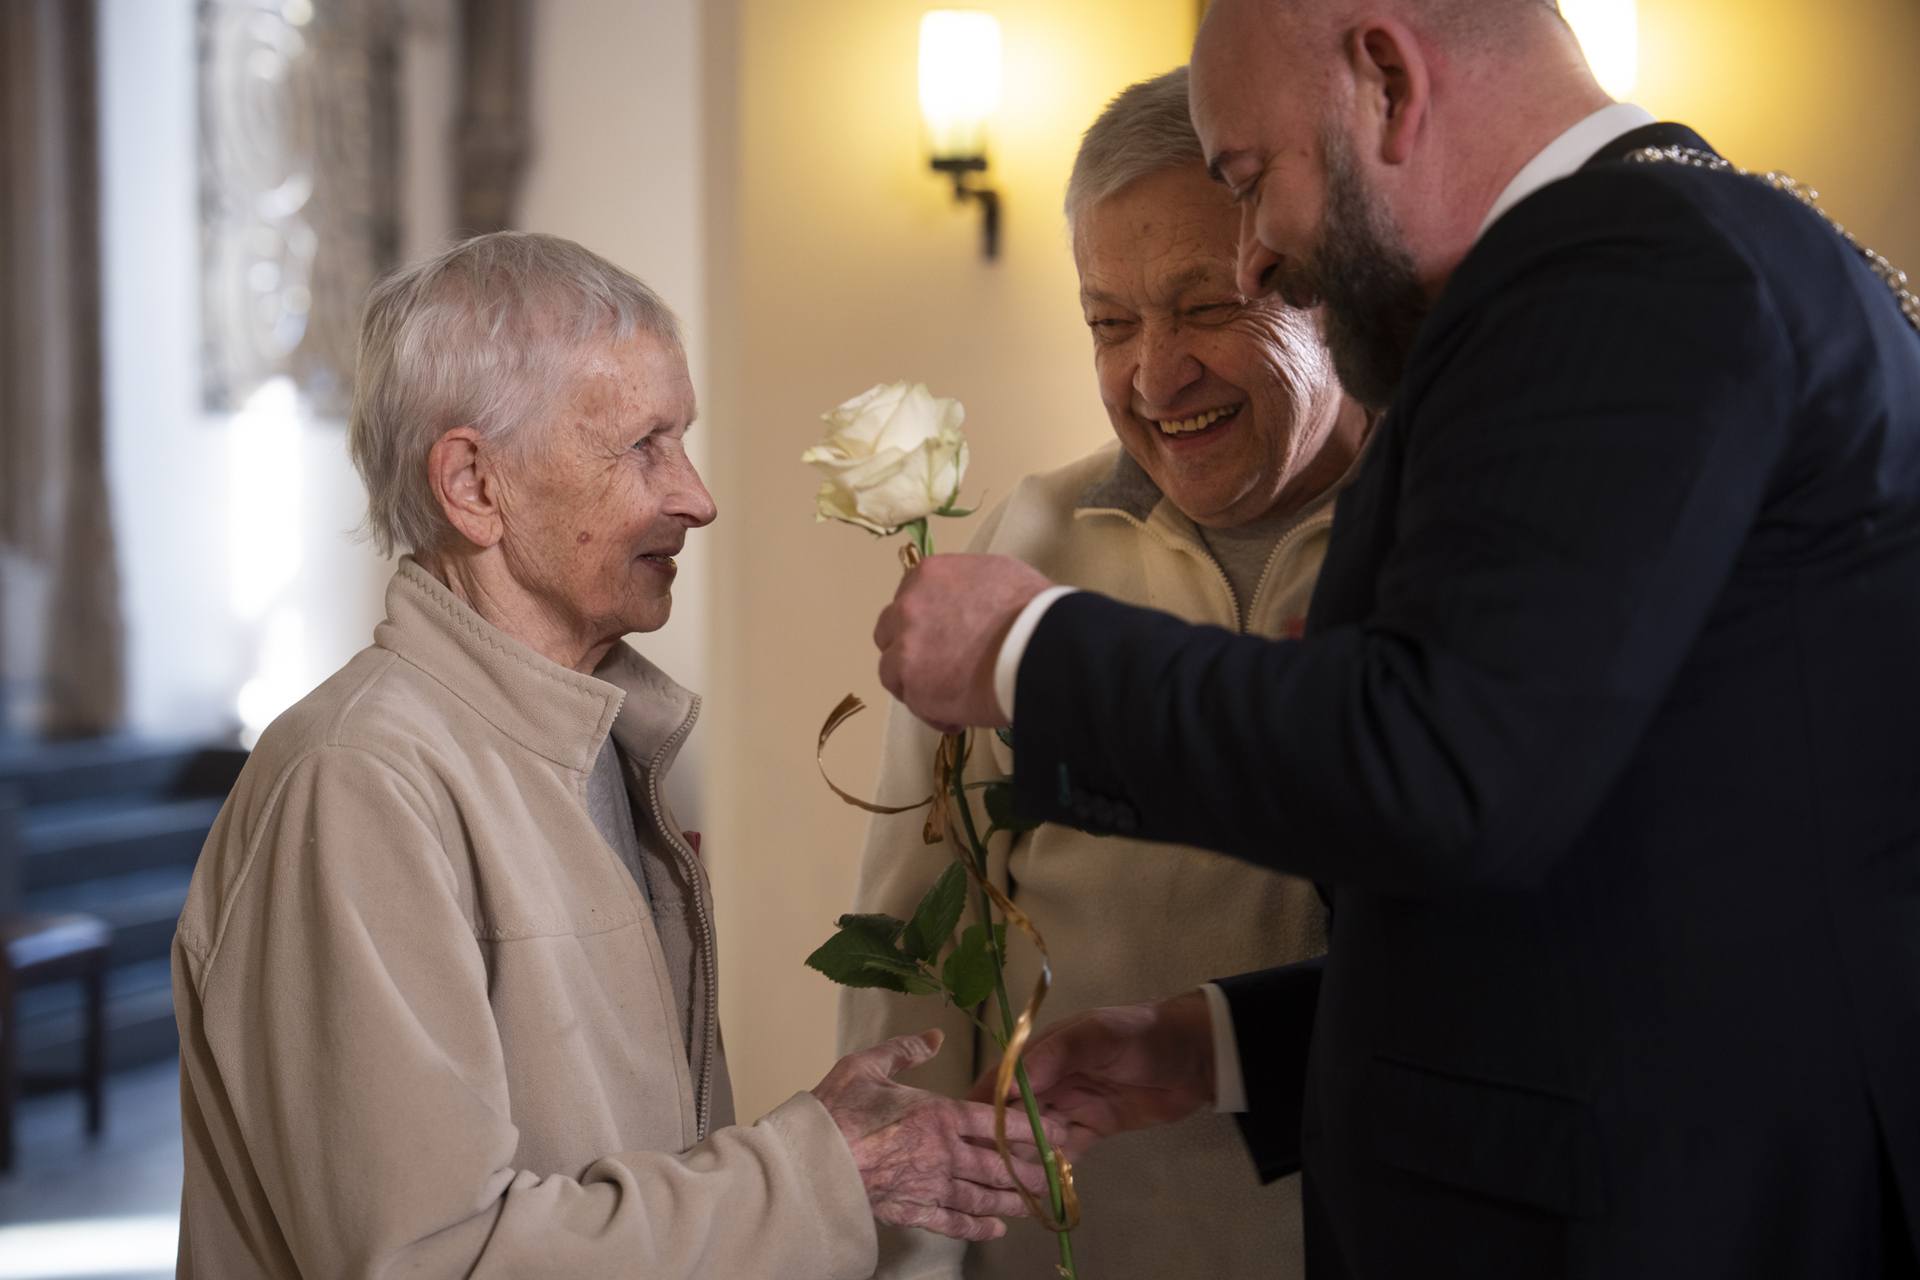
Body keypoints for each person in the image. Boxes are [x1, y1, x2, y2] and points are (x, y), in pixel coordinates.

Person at [869, 0, 1920, 1276]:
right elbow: (1619, 880)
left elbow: (1446, 764)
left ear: (1384, 78)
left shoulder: (1617, 272)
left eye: (1250, 181)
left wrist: (1027, 652)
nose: (1260, 252)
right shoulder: (1668, 253)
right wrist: (1224, 1046)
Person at [172, 232, 1053, 1278]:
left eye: (682, 440)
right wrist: (822, 1173)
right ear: (474, 485)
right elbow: (440, 1260)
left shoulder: (595, 745)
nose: (697, 497)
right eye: (643, 446)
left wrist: (851, 1177)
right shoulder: (359, 783)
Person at [840, 67, 1370, 1280]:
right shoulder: (1028, 544)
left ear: (1321, 278)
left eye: (1205, 307)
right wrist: (908, 1256)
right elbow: (917, 943)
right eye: (1109, 322)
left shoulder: (1439, 544)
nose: (1154, 374)